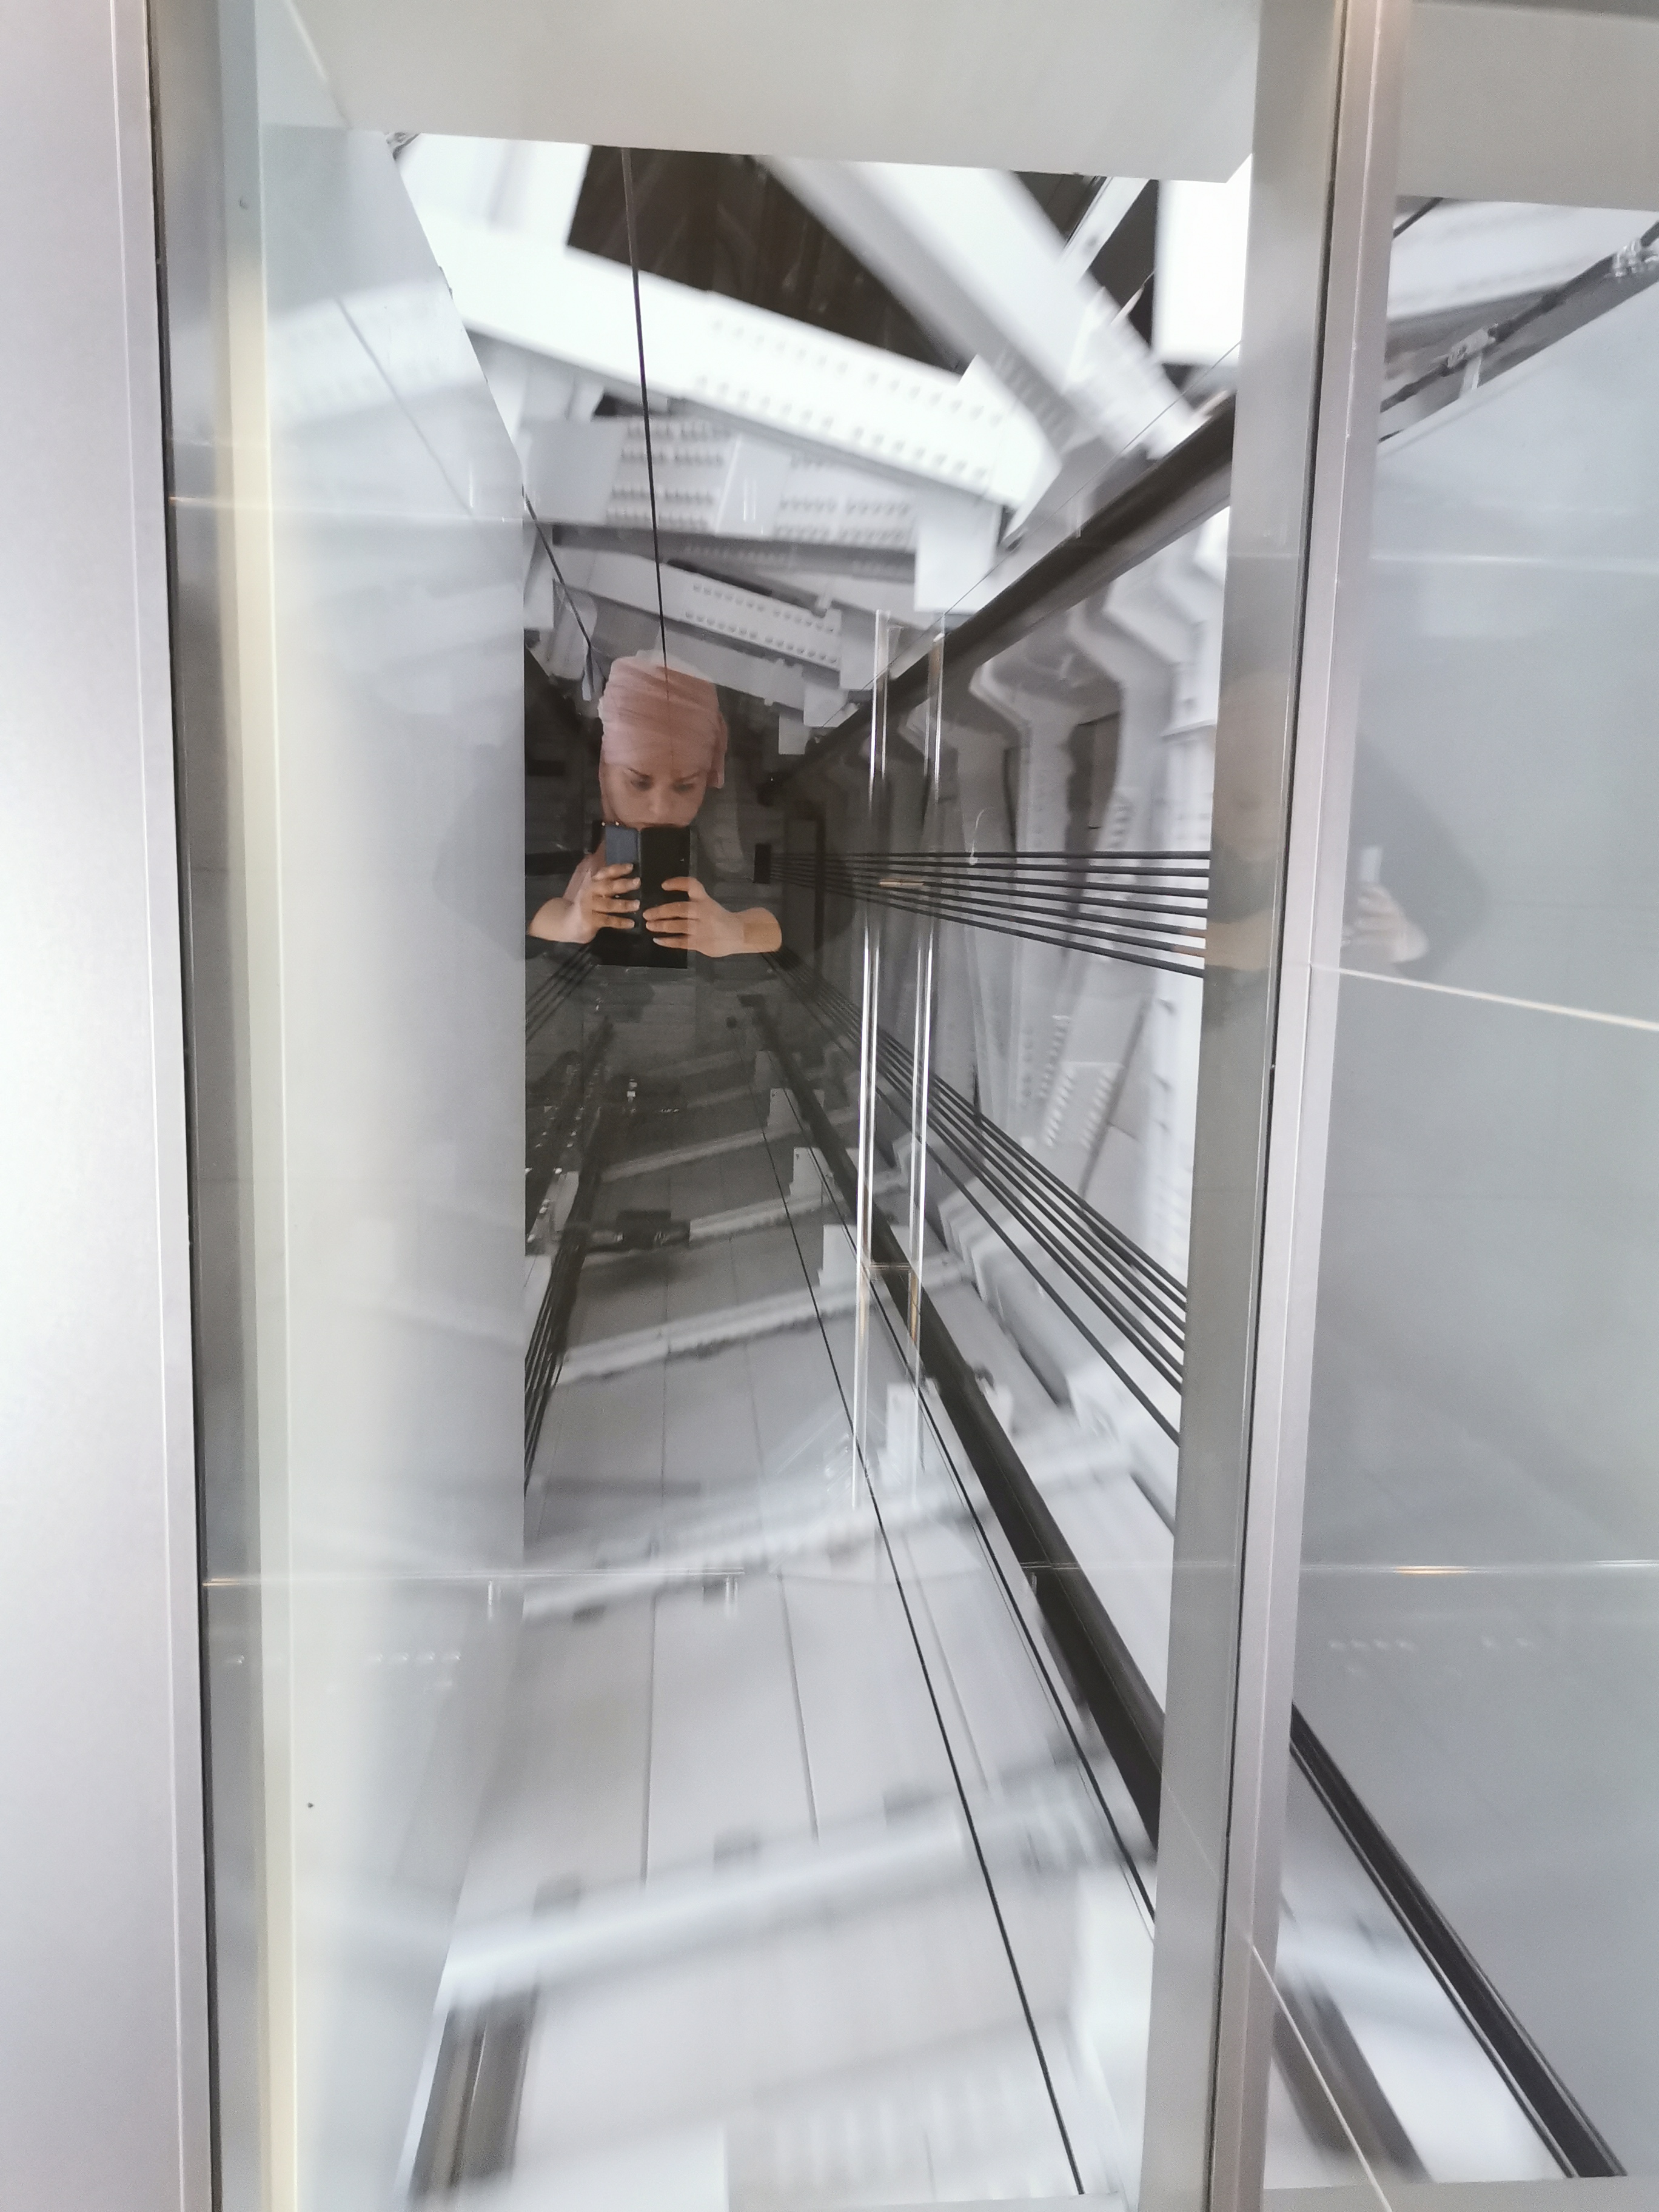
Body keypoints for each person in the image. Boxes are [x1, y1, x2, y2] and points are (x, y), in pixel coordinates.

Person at [528, 652, 782, 958]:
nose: (661, 810)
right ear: (605, 768)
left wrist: (735, 932)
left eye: (686, 785)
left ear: (708, 776)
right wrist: (571, 922)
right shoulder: (563, 819)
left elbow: (795, 927)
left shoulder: (727, 838)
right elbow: (515, 911)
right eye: (639, 782)